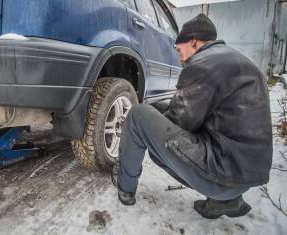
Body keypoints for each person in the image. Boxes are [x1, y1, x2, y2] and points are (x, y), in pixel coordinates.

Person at [112, 13, 273, 219]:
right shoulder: (236, 60)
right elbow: (210, 115)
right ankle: (228, 202)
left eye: (179, 49)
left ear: (194, 42)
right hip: (241, 177)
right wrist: (159, 110)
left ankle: (125, 187)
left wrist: (147, 123)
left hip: (220, 177)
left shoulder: (202, 63)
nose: (179, 57)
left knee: (137, 115)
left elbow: (179, 121)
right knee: (153, 111)